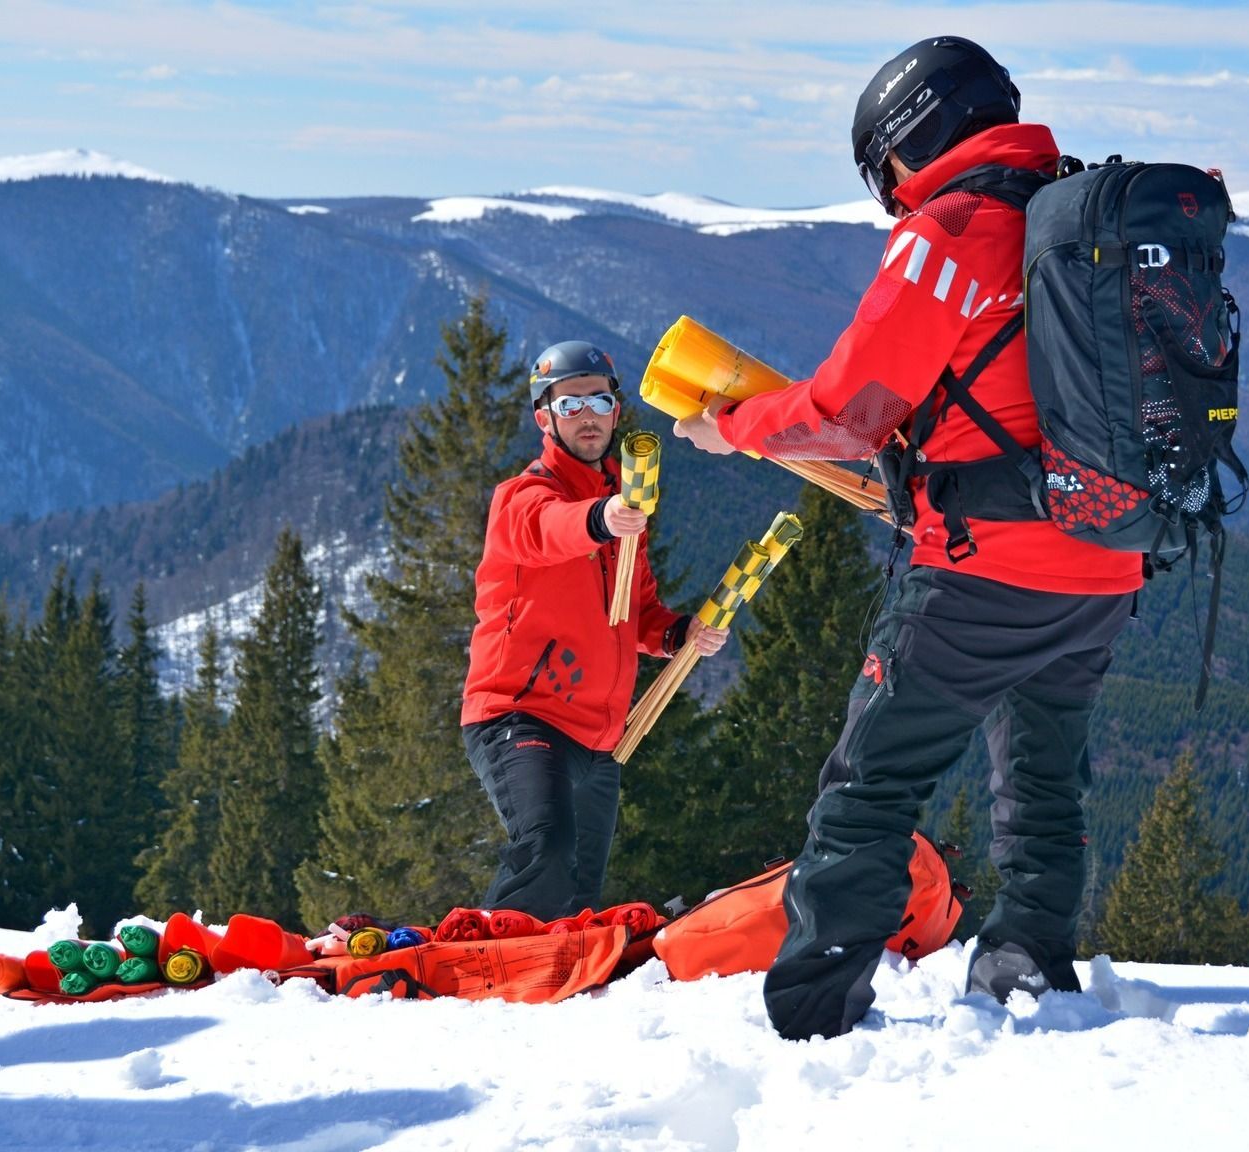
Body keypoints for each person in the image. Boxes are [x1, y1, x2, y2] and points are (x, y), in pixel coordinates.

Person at [671, 36, 1143, 1040]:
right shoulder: (1085, 212)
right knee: (1044, 773)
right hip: (1107, 556)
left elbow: (848, 409)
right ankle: (1027, 956)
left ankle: (812, 1014)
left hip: (983, 564)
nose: (885, 191)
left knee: (870, 781)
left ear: (913, 135)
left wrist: (735, 429)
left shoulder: (953, 227)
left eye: (881, 166)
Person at [463, 339, 729, 921]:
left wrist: (679, 634)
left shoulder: (625, 513)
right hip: (519, 715)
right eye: (570, 406)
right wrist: (599, 519)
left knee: (575, 897)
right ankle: (481, 969)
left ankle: (550, 989)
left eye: (600, 402)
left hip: (600, 741)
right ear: (545, 419)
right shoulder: (522, 498)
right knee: (546, 853)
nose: (588, 416)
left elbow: (636, 613)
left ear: (616, 410)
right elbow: (546, 528)